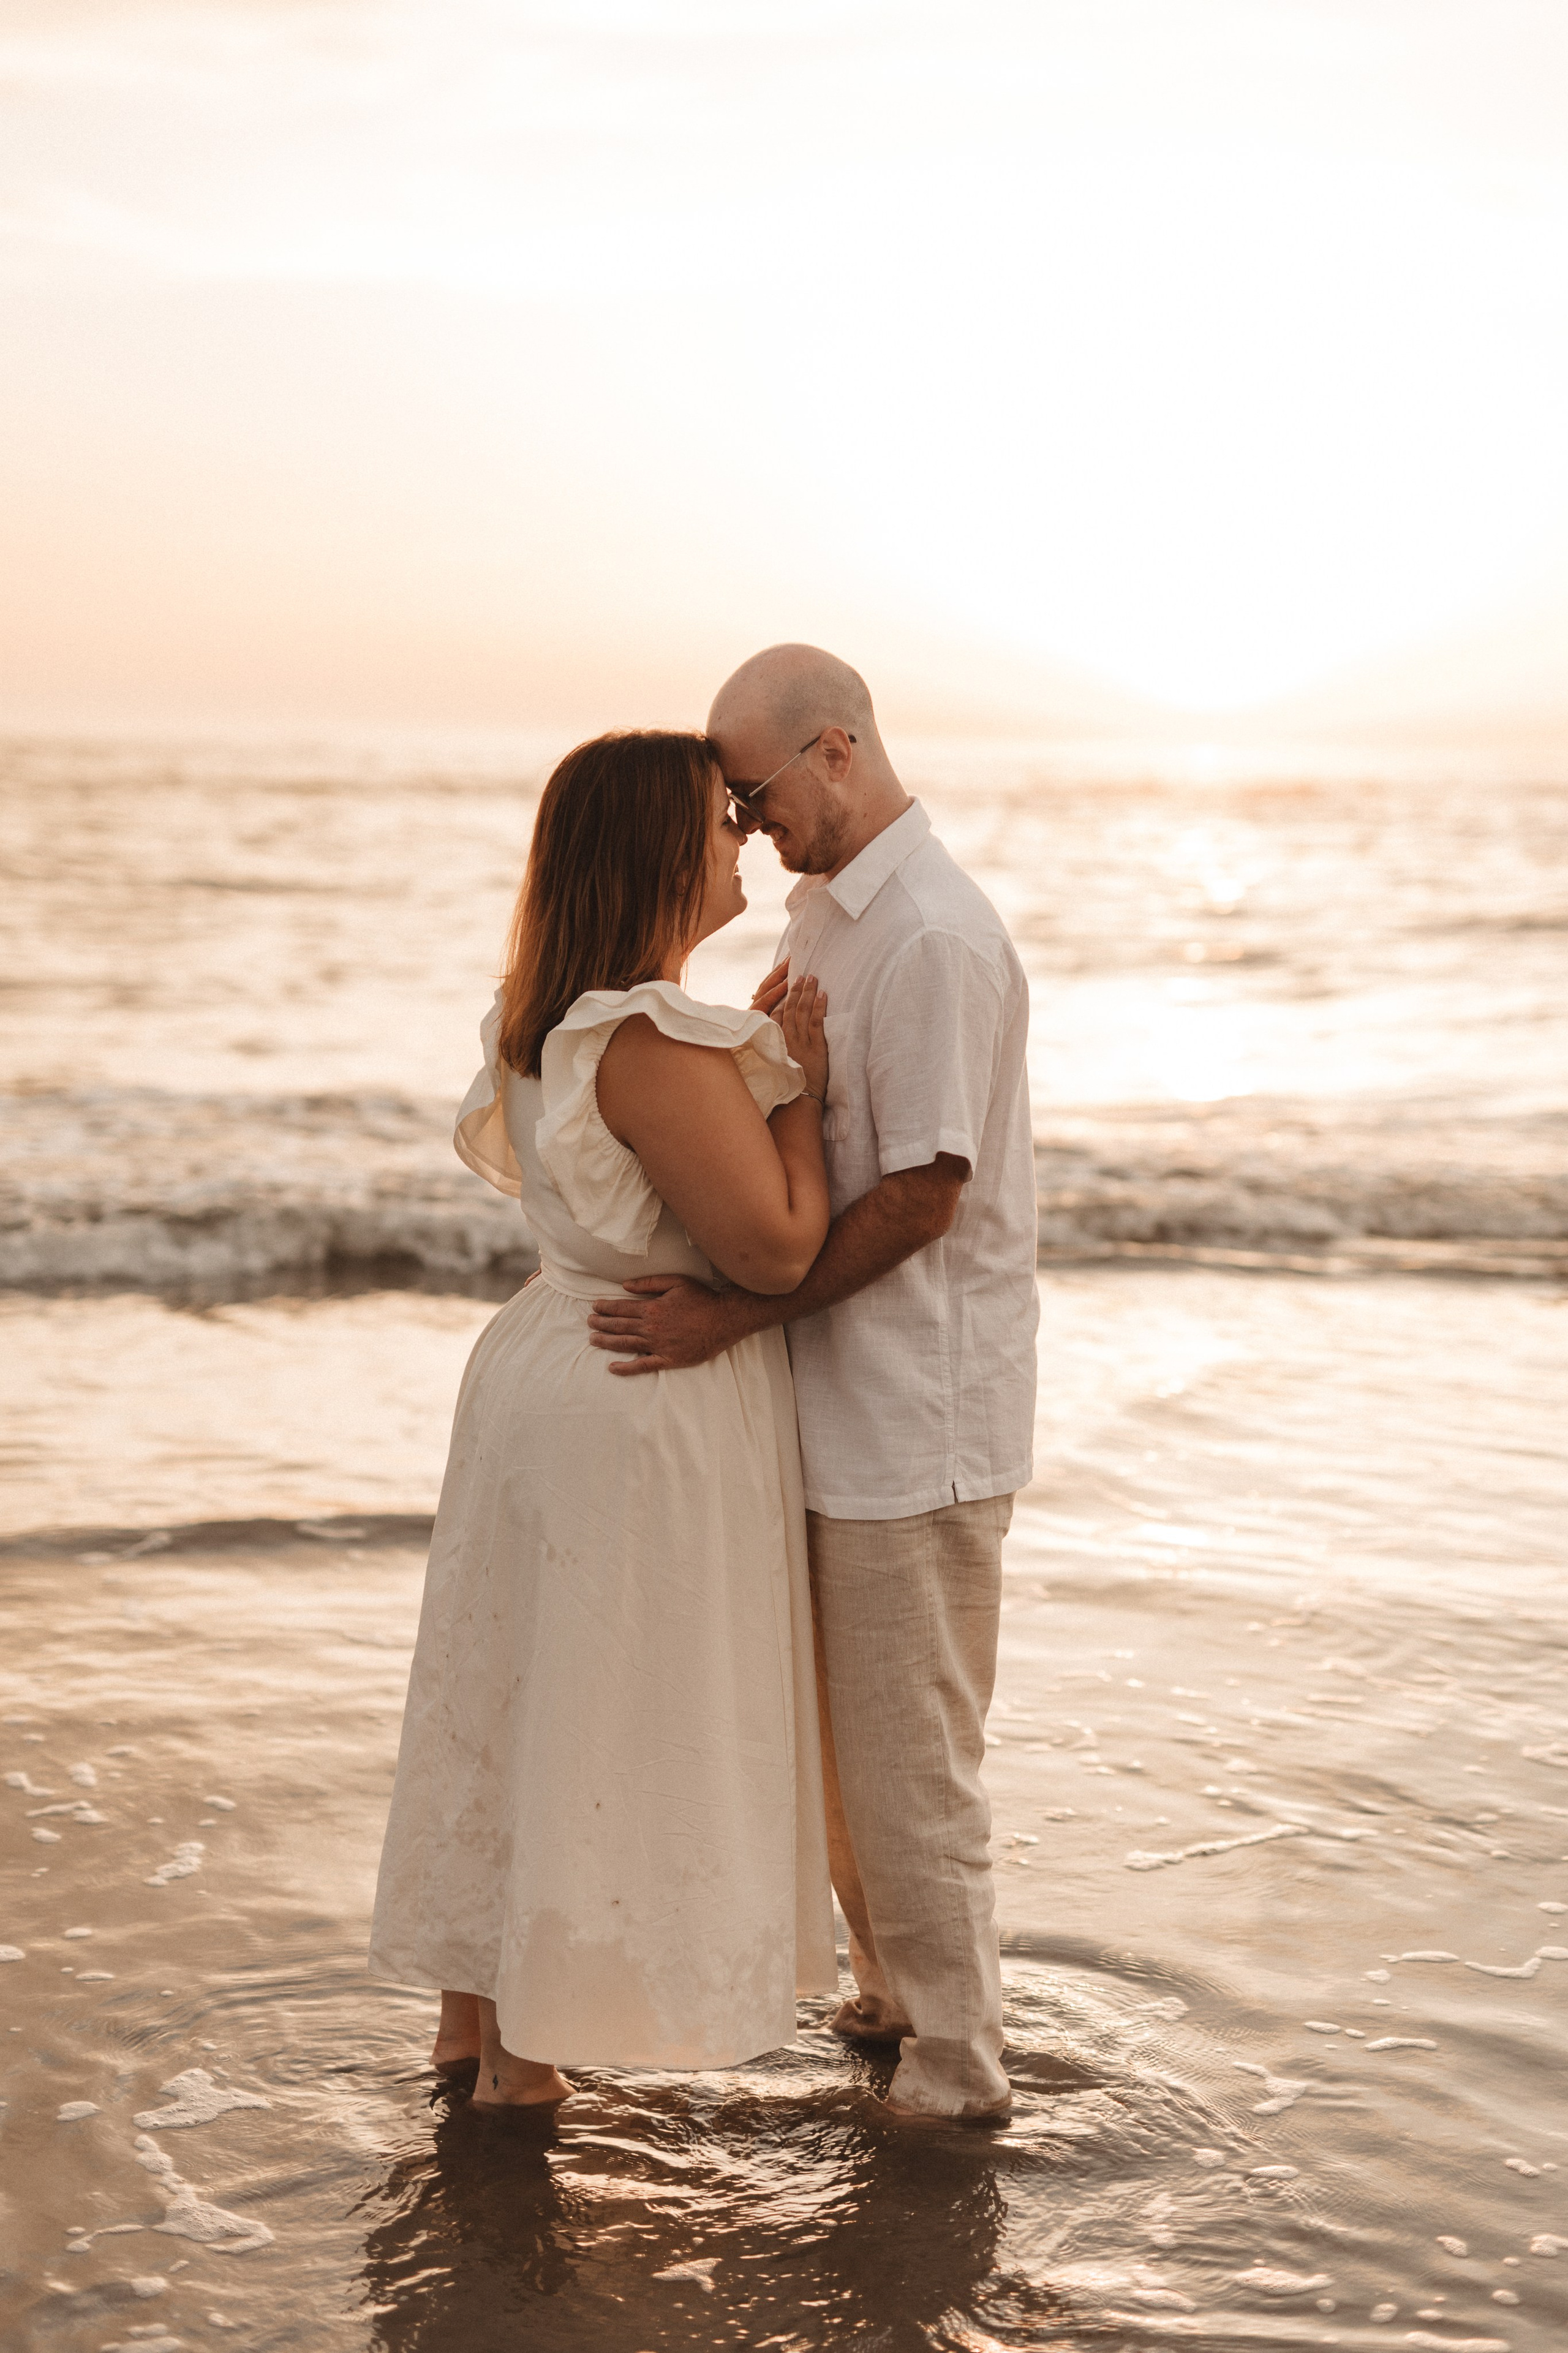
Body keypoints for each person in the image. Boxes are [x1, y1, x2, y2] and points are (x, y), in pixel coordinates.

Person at [587, 647, 1039, 2121]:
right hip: (830, 1398)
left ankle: (961, 2068)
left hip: (918, 1413)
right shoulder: (823, 916)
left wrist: (724, 1315)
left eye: (753, 788)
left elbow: (920, 1198)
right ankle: (893, 1996)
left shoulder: (927, 937)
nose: (739, 820)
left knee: (911, 1757)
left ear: (833, 752)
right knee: (848, 1749)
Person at [370, 728, 839, 2107]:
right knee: (598, 1717)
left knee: (519, 1698)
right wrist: (796, 1090)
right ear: (651, 852)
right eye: (714, 822)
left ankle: (473, 2028)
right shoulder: (648, 1039)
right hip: (631, 1396)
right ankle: (523, 2066)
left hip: (542, 1369)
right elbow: (771, 1251)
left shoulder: (541, 1014)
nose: (737, 841)